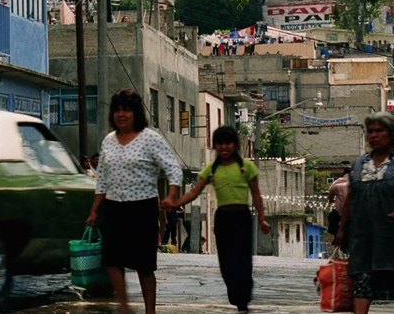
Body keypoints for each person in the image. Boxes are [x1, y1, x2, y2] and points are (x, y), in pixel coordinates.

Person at [86, 89, 182, 314]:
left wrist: (171, 195)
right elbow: (103, 180)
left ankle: (150, 311)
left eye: (127, 110)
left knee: (144, 266)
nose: (121, 114)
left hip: (142, 208)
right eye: (117, 110)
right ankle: (124, 307)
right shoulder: (108, 141)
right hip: (113, 208)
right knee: (112, 261)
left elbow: (173, 169)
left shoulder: (150, 138)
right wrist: (94, 211)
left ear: (136, 113)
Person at [335, 113, 394, 314]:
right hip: (365, 240)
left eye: (380, 131)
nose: (374, 136)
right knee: (363, 283)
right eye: (370, 131)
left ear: (391, 134)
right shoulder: (359, 165)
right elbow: (351, 198)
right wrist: (342, 229)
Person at [169, 126, 271, 314]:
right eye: (220, 143)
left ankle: (243, 300)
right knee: (226, 262)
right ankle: (235, 294)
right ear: (215, 146)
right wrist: (175, 203)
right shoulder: (211, 169)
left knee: (243, 260)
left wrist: (263, 218)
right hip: (223, 219)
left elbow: (256, 195)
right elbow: (194, 191)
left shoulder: (246, 167)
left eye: (228, 143)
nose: (224, 147)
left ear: (235, 145)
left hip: (242, 217)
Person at [327, 172, 349, 243]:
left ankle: (336, 236)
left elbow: (330, 195)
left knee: (332, 217)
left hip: (341, 211)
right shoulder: (356, 181)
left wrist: (331, 200)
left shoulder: (336, 184)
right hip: (356, 211)